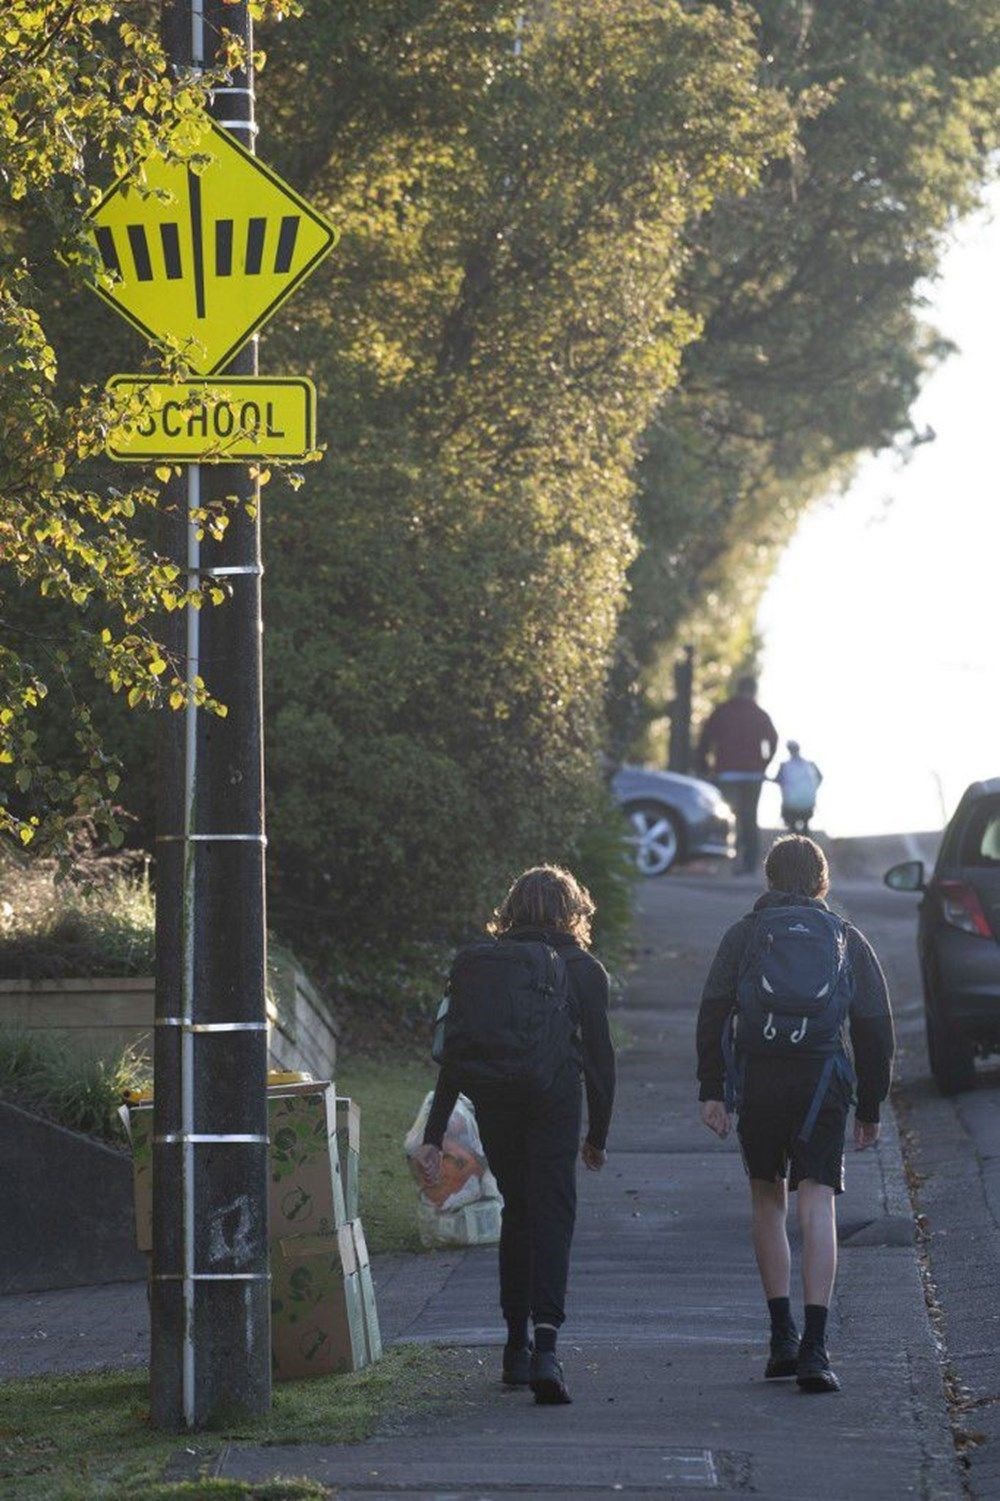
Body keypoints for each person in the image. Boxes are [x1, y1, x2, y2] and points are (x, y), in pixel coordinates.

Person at [695, 835, 894, 1392]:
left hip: (760, 1077)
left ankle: (780, 1336)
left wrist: (712, 1088)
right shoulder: (845, 937)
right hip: (822, 1081)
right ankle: (816, 1347)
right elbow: (875, 1026)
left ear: (769, 878)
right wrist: (871, 1103)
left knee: (766, 1195)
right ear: (821, 882)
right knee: (817, 1202)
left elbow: (713, 1010)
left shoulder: (745, 934)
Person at [413, 865, 615, 1405]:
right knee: (553, 1215)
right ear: (571, 911)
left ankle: (514, 1346)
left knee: (518, 1212)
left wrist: (435, 1132)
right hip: (554, 1102)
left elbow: (457, 1054)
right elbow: (599, 1059)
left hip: (497, 1102)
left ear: (513, 909)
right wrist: (598, 1132)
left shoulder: (487, 968)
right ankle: (547, 1347)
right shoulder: (583, 970)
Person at [698, 676, 778, 874]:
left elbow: (705, 739)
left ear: (737, 688)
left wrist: (704, 766)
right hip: (753, 774)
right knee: (750, 817)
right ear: (754, 691)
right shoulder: (760, 715)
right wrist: (763, 763)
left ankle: (727, 858)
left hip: (726, 772)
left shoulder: (723, 711)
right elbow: (773, 740)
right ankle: (750, 863)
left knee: (728, 815)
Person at [774, 741, 823, 833]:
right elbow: (820, 777)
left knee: (792, 829)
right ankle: (805, 844)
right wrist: (813, 790)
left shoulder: (784, 766)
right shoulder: (810, 764)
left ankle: (794, 845)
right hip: (808, 803)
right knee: (805, 828)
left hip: (790, 805)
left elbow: (778, 780)